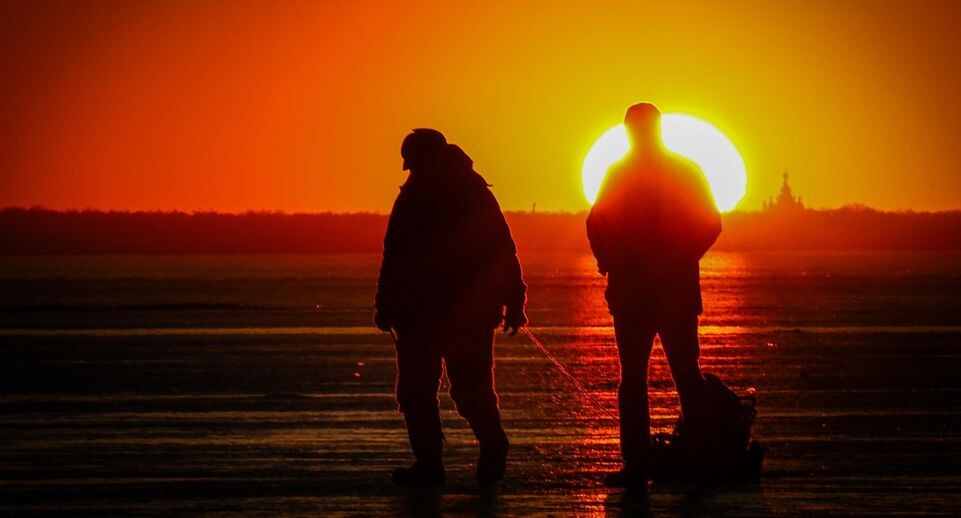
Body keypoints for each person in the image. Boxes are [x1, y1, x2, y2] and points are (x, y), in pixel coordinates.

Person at [375, 128, 528, 486]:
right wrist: (385, 302)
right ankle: (429, 464)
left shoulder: (472, 195)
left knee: (467, 389)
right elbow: (394, 254)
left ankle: (492, 444)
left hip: (465, 313)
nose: (410, 171)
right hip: (417, 314)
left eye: (413, 163)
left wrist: (514, 298)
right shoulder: (416, 194)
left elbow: (501, 250)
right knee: (416, 391)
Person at [586, 103, 721, 488]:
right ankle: (648, 461)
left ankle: (683, 457)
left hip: (659, 292)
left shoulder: (671, 173)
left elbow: (710, 222)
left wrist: (665, 260)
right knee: (646, 376)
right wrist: (609, 258)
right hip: (643, 293)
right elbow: (597, 224)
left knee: (676, 374)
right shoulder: (635, 173)